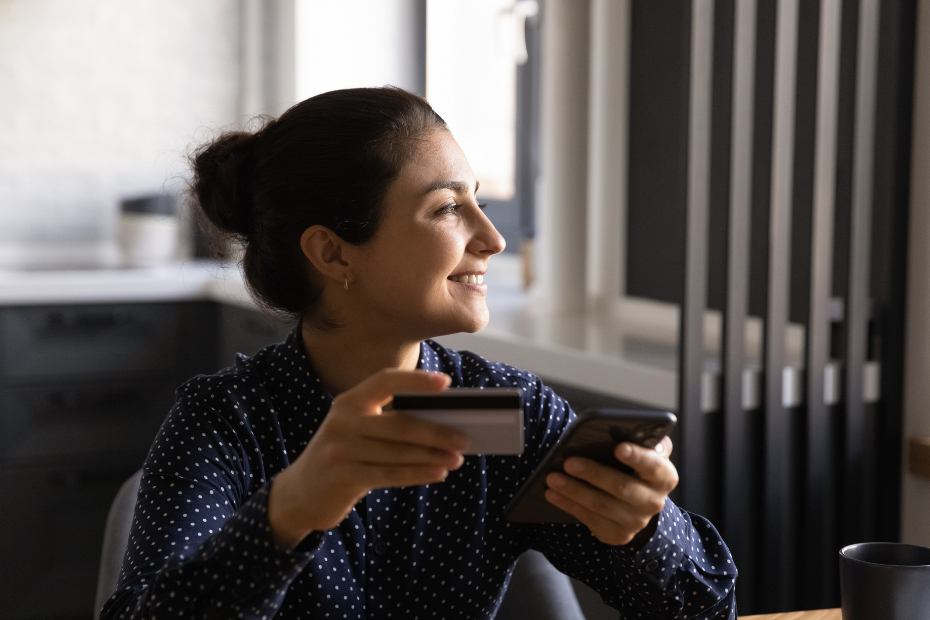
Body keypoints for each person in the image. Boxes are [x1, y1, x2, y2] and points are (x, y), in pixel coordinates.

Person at [101, 87, 737, 620]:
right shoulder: (224, 424)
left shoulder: (512, 414)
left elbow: (706, 607)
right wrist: (291, 507)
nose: (490, 238)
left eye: (478, 201)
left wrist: (646, 531)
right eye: (446, 208)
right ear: (334, 254)